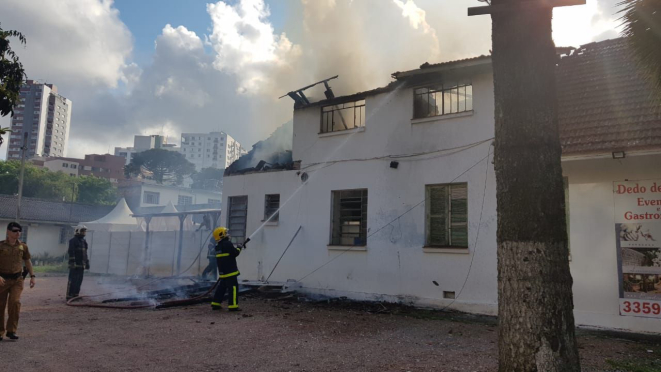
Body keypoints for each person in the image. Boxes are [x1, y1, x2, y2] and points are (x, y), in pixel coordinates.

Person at [0, 222, 36, 341]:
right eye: (15, 231)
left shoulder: (23, 246)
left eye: (19, 231)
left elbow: (27, 261)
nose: (18, 233)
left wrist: (32, 276)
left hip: (17, 280)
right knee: (0, 306)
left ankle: (11, 331)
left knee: (15, 303)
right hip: (2, 280)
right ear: (8, 232)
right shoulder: (1, 246)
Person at [210, 227, 243, 311]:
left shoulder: (218, 246)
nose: (227, 234)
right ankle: (233, 306)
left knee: (221, 288)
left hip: (223, 272)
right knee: (233, 288)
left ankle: (215, 303)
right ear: (221, 235)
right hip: (230, 272)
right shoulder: (227, 243)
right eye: (225, 232)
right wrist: (239, 247)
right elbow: (234, 253)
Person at [66, 225, 90, 300]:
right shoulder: (73, 241)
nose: (84, 232)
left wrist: (87, 262)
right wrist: (73, 262)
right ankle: (69, 295)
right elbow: (71, 252)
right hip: (75, 265)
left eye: (84, 231)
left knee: (79, 280)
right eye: (83, 231)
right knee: (72, 280)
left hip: (81, 265)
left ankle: (76, 295)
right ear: (78, 231)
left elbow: (85, 253)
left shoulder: (84, 241)